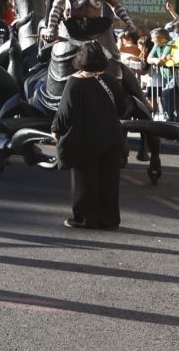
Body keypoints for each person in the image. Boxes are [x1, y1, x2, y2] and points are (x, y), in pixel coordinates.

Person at [52, 41, 129, 230]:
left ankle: (84, 218)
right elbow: (122, 109)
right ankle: (109, 219)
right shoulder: (111, 80)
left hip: (84, 136)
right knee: (109, 181)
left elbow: (65, 112)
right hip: (111, 136)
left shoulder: (75, 81)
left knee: (84, 181)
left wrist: (56, 130)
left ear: (80, 59)